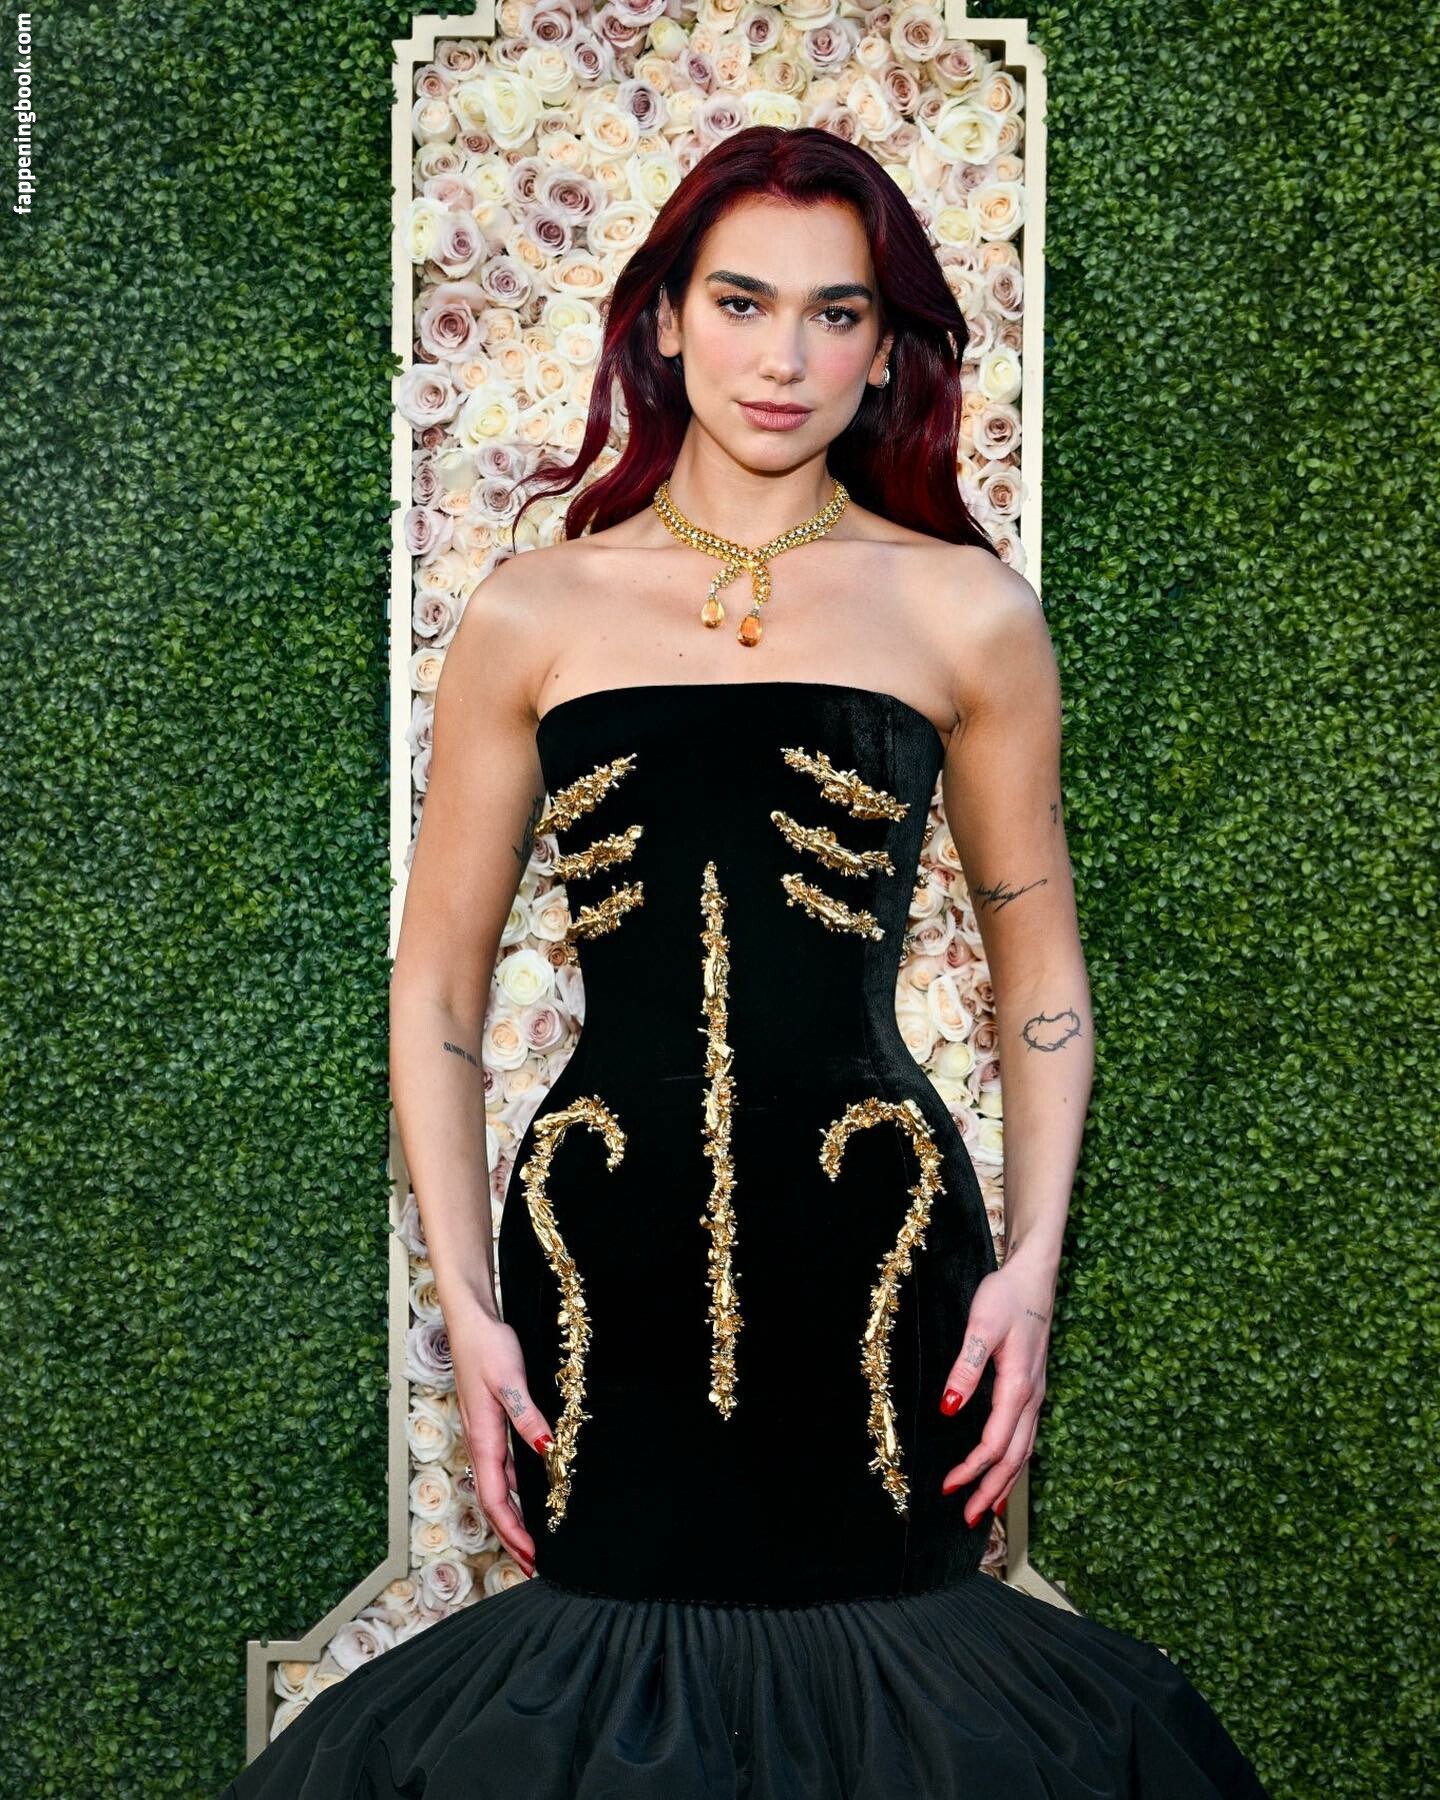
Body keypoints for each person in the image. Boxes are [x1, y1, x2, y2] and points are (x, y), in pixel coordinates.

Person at [221, 126, 1270, 1797]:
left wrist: (1031, 1271)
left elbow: (1042, 975)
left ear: (887, 348)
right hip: (597, 1245)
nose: (784, 359)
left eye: (836, 313)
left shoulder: (966, 611)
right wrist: (468, 1310)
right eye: (741, 302)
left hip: (882, 1238)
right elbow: (435, 993)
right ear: (663, 319)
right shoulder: (534, 610)